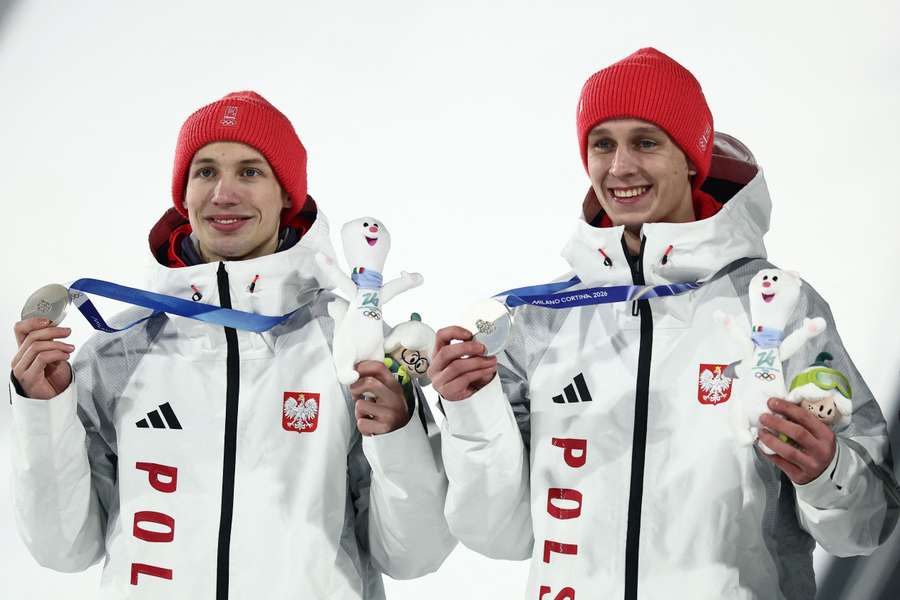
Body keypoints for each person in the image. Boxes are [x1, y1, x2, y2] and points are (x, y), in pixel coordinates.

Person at [429, 48, 900, 599]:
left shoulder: (776, 306)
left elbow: (867, 528)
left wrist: (826, 473)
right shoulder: (537, 322)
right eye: (602, 144)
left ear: (691, 157)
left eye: (645, 142)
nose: (620, 167)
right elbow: (498, 534)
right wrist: (469, 410)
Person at [10, 91, 454, 599]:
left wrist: (397, 435)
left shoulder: (350, 342)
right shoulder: (119, 353)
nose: (224, 193)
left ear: (287, 194)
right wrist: (43, 412)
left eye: (249, 172)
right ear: (183, 194)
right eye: (204, 172)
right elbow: (63, 548)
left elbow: (415, 553)